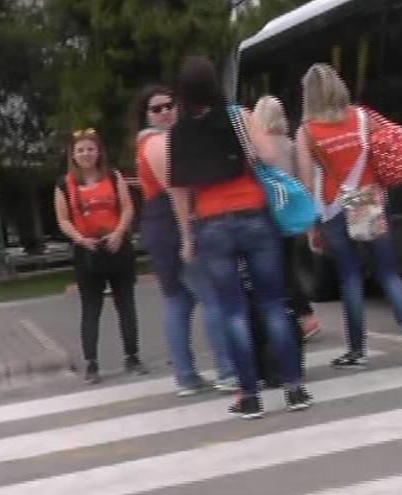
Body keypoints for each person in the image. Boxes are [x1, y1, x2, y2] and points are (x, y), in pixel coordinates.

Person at [153, 55, 312, 419]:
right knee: (273, 304)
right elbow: (270, 155)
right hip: (256, 217)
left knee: (233, 311)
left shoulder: (177, 133)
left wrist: (187, 237)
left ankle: (249, 396)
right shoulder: (239, 117)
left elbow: (178, 191)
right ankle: (294, 388)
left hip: (211, 225)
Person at [295, 63, 402, 370]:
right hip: (369, 201)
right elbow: (388, 146)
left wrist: (311, 226)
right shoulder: (362, 117)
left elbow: (305, 182)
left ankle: (357, 350)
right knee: (387, 272)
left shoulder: (306, 131)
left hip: (333, 208)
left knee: (350, 277)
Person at [133, 84, 238, 396]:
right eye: (157, 108)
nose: (165, 111)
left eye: (169, 105)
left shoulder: (155, 142)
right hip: (172, 225)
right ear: (146, 115)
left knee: (178, 300)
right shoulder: (158, 143)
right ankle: (227, 370)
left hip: (161, 226)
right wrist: (188, 236)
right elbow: (177, 191)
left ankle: (186, 375)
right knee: (212, 297)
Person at [54, 128, 147, 384]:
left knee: (125, 304)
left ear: (98, 152)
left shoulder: (113, 176)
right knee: (90, 309)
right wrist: (79, 239)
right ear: (73, 154)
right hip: (87, 251)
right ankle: (91, 363)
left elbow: (127, 208)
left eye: (90, 149)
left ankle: (132, 355)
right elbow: (63, 219)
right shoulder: (65, 184)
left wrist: (118, 233)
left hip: (117, 246)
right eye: (80, 150)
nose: (86, 154)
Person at [252, 95, 321, 341]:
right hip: (291, 214)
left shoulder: (258, 149)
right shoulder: (290, 145)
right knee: (288, 266)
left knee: (276, 271)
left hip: (269, 214)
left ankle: (300, 316)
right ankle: (302, 316)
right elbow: (304, 179)